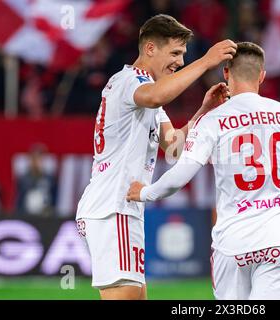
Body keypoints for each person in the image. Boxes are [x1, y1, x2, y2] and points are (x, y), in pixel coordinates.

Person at [75, 14, 236, 300]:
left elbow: (173, 147)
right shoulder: (130, 81)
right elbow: (156, 96)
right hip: (114, 208)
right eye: (175, 53)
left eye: (184, 55)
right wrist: (207, 61)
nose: (180, 62)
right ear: (150, 49)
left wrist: (203, 111)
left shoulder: (145, 93)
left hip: (119, 210)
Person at [126, 42, 280, 300]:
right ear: (262, 75)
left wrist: (145, 193)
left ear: (227, 73)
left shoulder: (214, 120)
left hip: (232, 244)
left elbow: (180, 173)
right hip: (278, 239)